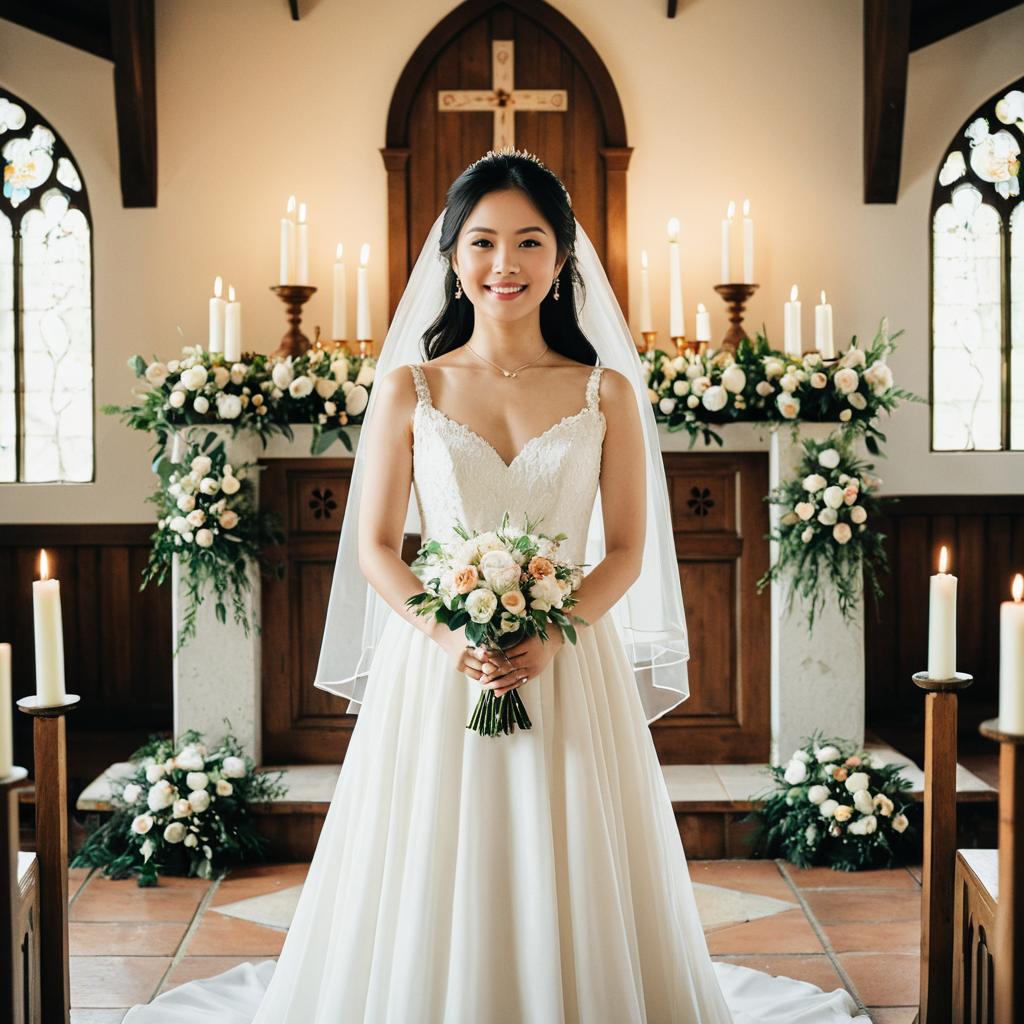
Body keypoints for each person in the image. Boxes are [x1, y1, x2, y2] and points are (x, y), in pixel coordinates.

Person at [124, 150, 868, 1022]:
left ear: (561, 261)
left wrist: (549, 635)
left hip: (567, 662)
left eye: (529, 242)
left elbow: (625, 551)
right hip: (440, 668)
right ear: (450, 257)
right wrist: (453, 638)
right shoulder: (410, 389)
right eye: (483, 242)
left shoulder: (607, 394)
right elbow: (372, 547)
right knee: (435, 855)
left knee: (571, 853)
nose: (504, 264)